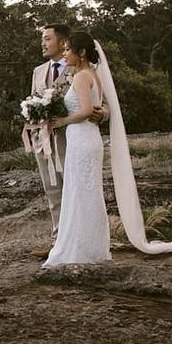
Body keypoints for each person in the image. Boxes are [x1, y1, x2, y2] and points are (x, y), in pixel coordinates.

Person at [42, 31, 172, 267]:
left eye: (68, 50)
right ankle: (91, 248)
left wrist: (62, 121)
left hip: (82, 139)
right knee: (86, 193)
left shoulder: (81, 77)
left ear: (82, 52)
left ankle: (79, 250)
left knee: (80, 193)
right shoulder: (92, 75)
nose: (64, 54)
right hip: (88, 139)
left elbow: (88, 110)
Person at [30, 24, 104, 255]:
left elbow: (103, 103)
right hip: (44, 141)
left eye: (47, 38)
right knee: (52, 191)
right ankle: (59, 240)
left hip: (72, 139)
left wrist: (102, 114)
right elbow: (33, 101)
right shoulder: (38, 71)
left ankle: (78, 240)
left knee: (75, 190)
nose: (43, 43)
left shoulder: (82, 71)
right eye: (42, 39)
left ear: (63, 42)